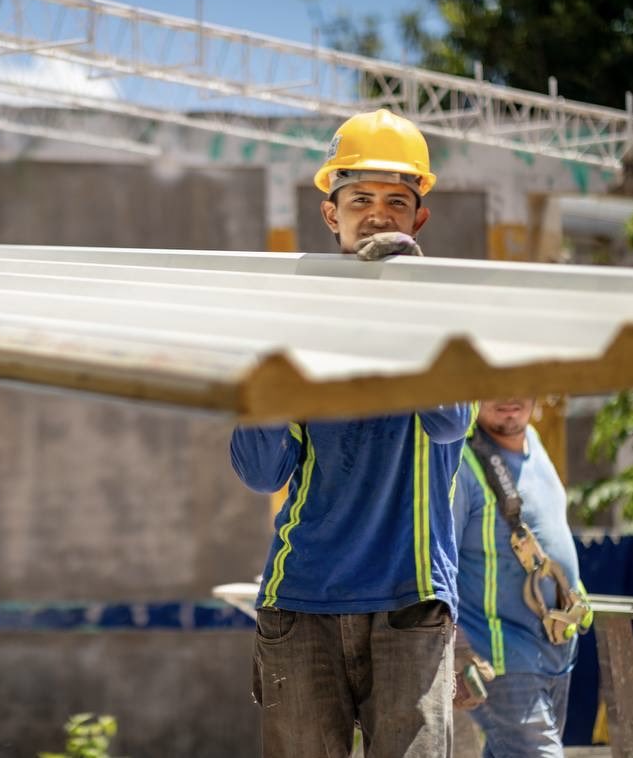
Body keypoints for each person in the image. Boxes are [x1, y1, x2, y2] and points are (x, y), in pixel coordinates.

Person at [229, 109, 474, 757]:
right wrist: (270, 353)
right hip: (301, 597)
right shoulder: (292, 320)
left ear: (417, 220)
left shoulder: (448, 318)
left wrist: (408, 298)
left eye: (396, 201)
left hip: (409, 602)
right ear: (328, 214)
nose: (376, 214)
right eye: (358, 198)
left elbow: (449, 420)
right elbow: (260, 471)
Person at [452, 398, 592, 757]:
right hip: (500, 660)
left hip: (556, 650)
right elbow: (436, 567)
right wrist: (458, 648)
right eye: (494, 387)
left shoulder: (534, 441)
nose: (509, 397)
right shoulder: (461, 464)